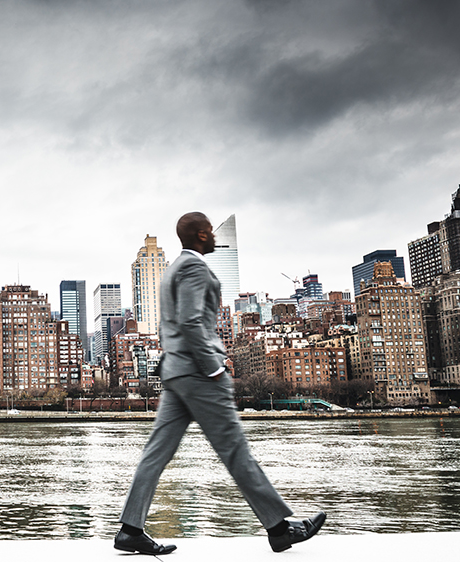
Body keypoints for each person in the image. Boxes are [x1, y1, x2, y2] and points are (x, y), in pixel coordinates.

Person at [113, 212, 325, 555]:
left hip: (176, 374)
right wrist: (214, 368)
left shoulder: (170, 273)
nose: (214, 237)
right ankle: (280, 528)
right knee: (235, 450)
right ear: (199, 235)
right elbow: (193, 322)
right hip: (200, 375)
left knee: (155, 454)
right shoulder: (195, 269)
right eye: (210, 232)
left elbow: (175, 325)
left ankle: (130, 528)